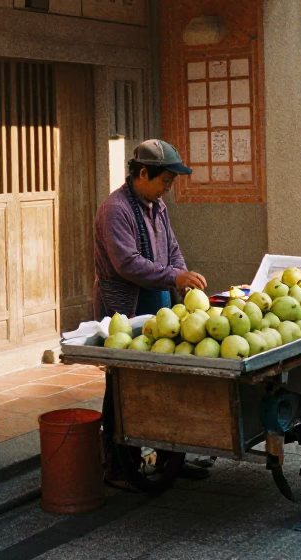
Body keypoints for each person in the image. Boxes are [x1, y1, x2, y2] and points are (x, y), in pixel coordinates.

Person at [93, 139, 211, 486]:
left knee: (168, 383)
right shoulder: (116, 209)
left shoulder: (157, 205)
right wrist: (174, 275)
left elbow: (172, 250)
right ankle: (118, 467)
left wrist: (184, 279)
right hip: (125, 309)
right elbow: (126, 263)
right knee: (124, 389)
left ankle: (171, 457)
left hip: (159, 304)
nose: (167, 190)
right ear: (142, 173)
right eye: (164, 182)